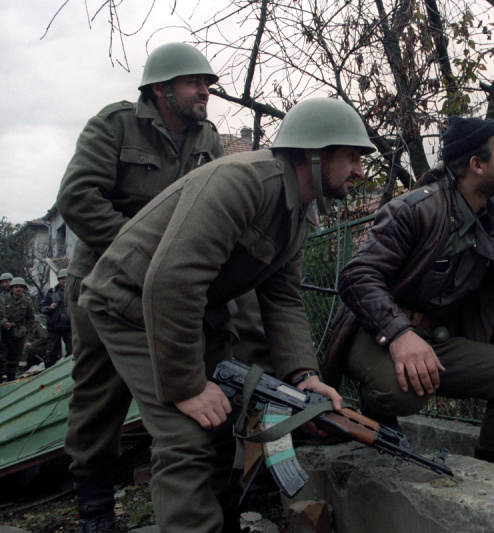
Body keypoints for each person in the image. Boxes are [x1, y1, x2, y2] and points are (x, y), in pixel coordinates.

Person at [77, 97, 373, 532]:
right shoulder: (244, 182)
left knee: (227, 425)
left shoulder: (297, 210)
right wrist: (188, 385)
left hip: (189, 311)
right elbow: (172, 280)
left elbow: (284, 297)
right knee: (185, 435)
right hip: (130, 304)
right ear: (314, 152)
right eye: (351, 156)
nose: (360, 171)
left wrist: (302, 375)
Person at [56, 42, 225, 532]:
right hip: (102, 281)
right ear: (161, 88)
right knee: (98, 392)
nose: (204, 92)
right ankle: (94, 507)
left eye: (207, 84)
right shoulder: (114, 125)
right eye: (194, 82)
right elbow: (78, 198)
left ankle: (196, 494)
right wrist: (141, 249)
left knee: (182, 379)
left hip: (169, 287)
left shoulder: (206, 140)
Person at [323, 115, 494, 466]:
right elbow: (357, 276)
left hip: (435, 337)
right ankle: (377, 413)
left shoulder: (493, 212)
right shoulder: (416, 209)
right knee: (405, 390)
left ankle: (490, 468)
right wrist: (400, 335)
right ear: (476, 165)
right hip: (377, 332)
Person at [1, 277, 35, 382]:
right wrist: (4, 323)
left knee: (15, 358)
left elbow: (31, 318)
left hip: (19, 333)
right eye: (16, 287)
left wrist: (25, 330)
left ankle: (11, 378)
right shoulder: (4, 298)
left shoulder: (27, 301)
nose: (19, 289)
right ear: (11, 288)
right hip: (4, 332)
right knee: (1, 357)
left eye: (21, 287)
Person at [39, 268, 72, 367]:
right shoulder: (51, 293)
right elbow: (41, 308)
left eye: (66, 278)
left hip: (69, 326)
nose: (64, 280)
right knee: (52, 352)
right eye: (62, 278)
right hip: (54, 326)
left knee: (72, 351)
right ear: (59, 280)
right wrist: (49, 307)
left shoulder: (74, 291)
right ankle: (49, 372)